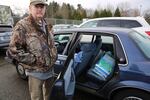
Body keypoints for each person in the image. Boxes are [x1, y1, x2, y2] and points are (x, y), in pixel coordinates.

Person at [6, 0, 57, 100]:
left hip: (50, 70)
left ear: (45, 8)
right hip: (35, 72)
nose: (39, 9)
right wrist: (35, 60)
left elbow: (51, 43)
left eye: (42, 7)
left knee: (49, 96)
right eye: (36, 6)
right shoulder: (22, 26)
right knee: (37, 98)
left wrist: (54, 54)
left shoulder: (47, 24)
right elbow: (13, 50)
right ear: (30, 8)